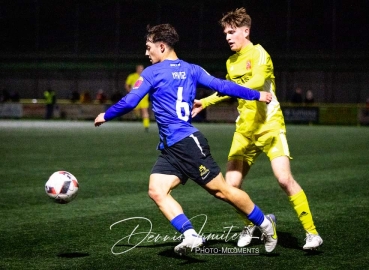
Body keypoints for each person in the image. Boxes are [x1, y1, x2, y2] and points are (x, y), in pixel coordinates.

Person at [95, 23, 277, 255]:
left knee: (222, 191)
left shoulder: (152, 73)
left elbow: (131, 102)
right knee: (157, 190)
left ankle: (265, 223)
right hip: (172, 148)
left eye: (148, 47)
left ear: (161, 46)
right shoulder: (192, 69)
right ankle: (191, 235)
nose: (146, 52)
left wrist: (105, 115)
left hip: (186, 143)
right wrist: (257, 94)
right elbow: (223, 86)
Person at [192, 8, 323, 250]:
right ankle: (251, 224)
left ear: (246, 31)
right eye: (225, 34)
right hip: (244, 131)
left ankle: (312, 233)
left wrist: (227, 89)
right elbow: (230, 89)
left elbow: (254, 83)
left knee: (284, 179)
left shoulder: (260, 53)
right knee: (230, 187)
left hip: (269, 126)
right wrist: (205, 101)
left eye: (232, 32)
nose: (228, 37)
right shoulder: (231, 62)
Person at [125, 64, 151, 132]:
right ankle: (137, 116)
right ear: (137, 69)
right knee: (136, 110)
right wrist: (130, 91)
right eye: (140, 69)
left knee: (144, 110)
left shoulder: (146, 76)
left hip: (144, 96)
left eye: (142, 69)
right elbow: (127, 85)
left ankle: (146, 126)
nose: (141, 70)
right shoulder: (132, 76)